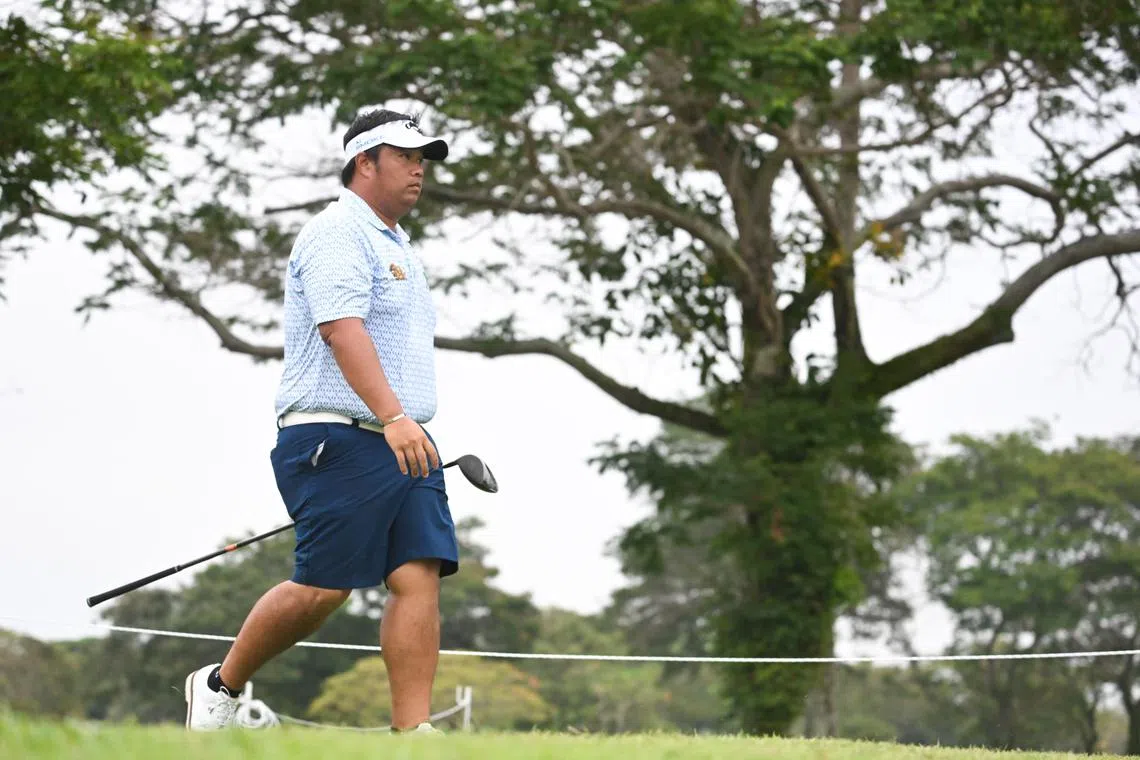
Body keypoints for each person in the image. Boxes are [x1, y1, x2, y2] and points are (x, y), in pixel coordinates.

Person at [183, 108, 460, 734]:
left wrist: (402, 423)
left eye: (424, 159)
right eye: (406, 157)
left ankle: (413, 733)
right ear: (365, 162)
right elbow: (341, 330)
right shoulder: (338, 231)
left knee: (418, 576)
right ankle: (220, 685)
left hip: (404, 437)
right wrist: (392, 417)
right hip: (335, 434)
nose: (419, 170)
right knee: (325, 588)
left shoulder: (397, 244)